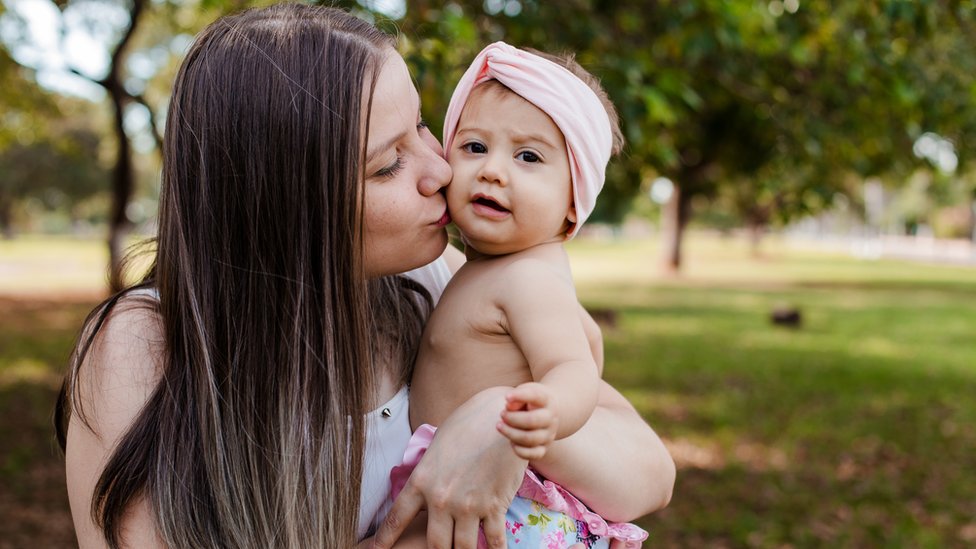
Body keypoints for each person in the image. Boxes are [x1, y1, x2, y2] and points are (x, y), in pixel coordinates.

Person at [54, 5, 675, 549]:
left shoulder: (433, 281)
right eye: (388, 165)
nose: (441, 169)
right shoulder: (145, 344)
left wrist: (494, 423)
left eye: (426, 127)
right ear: (285, 201)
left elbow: (650, 471)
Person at [391, 42, 646, 548]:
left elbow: (574, 368)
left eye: (528, 156)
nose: (492, 170)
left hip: (508, 508)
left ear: (575, 203)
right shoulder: (486, 268)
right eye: (474, 147)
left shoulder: (529, 279)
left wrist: (544, 410)